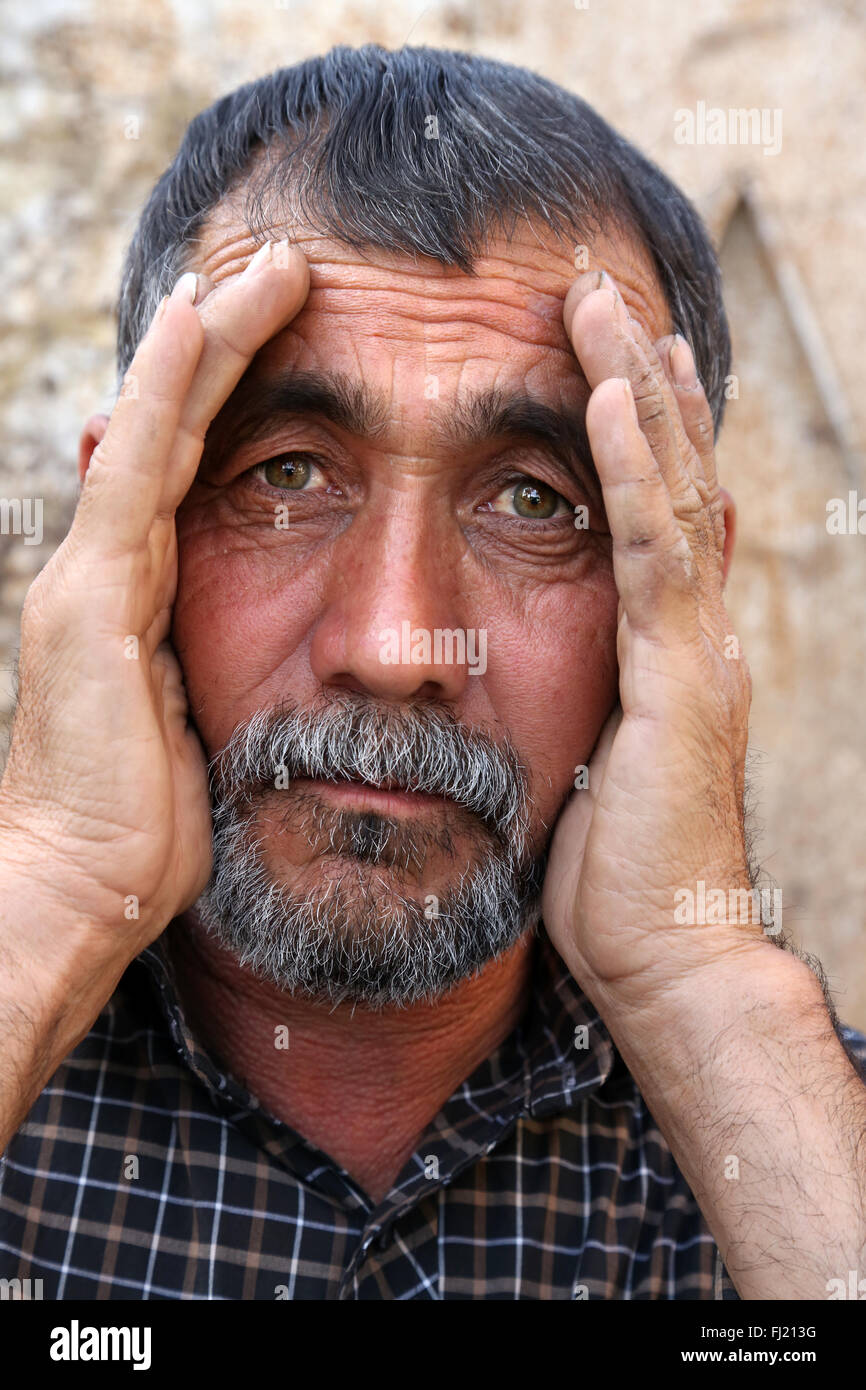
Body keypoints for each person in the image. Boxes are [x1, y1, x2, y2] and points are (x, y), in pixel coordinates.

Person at [1, 44, 864, 1301]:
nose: (398, 645)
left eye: (530, 500)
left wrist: (696, 983)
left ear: (677, 588)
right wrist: (53, 885)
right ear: (122, 531)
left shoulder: (778, 1140)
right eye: (284, 476)